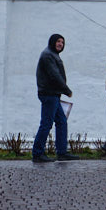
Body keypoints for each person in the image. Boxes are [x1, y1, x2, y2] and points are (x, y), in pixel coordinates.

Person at [32, 33, 76, 163]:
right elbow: (54, 75)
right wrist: (66, 90)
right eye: (58, 41)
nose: (60, 44)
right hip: (49, 94)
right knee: (46, 123)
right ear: (52, 42)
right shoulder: (48, 55)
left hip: (53, 94)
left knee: (61, 121)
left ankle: (62, 152)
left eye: (62, 42)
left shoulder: (52, 55)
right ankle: (38, 153)